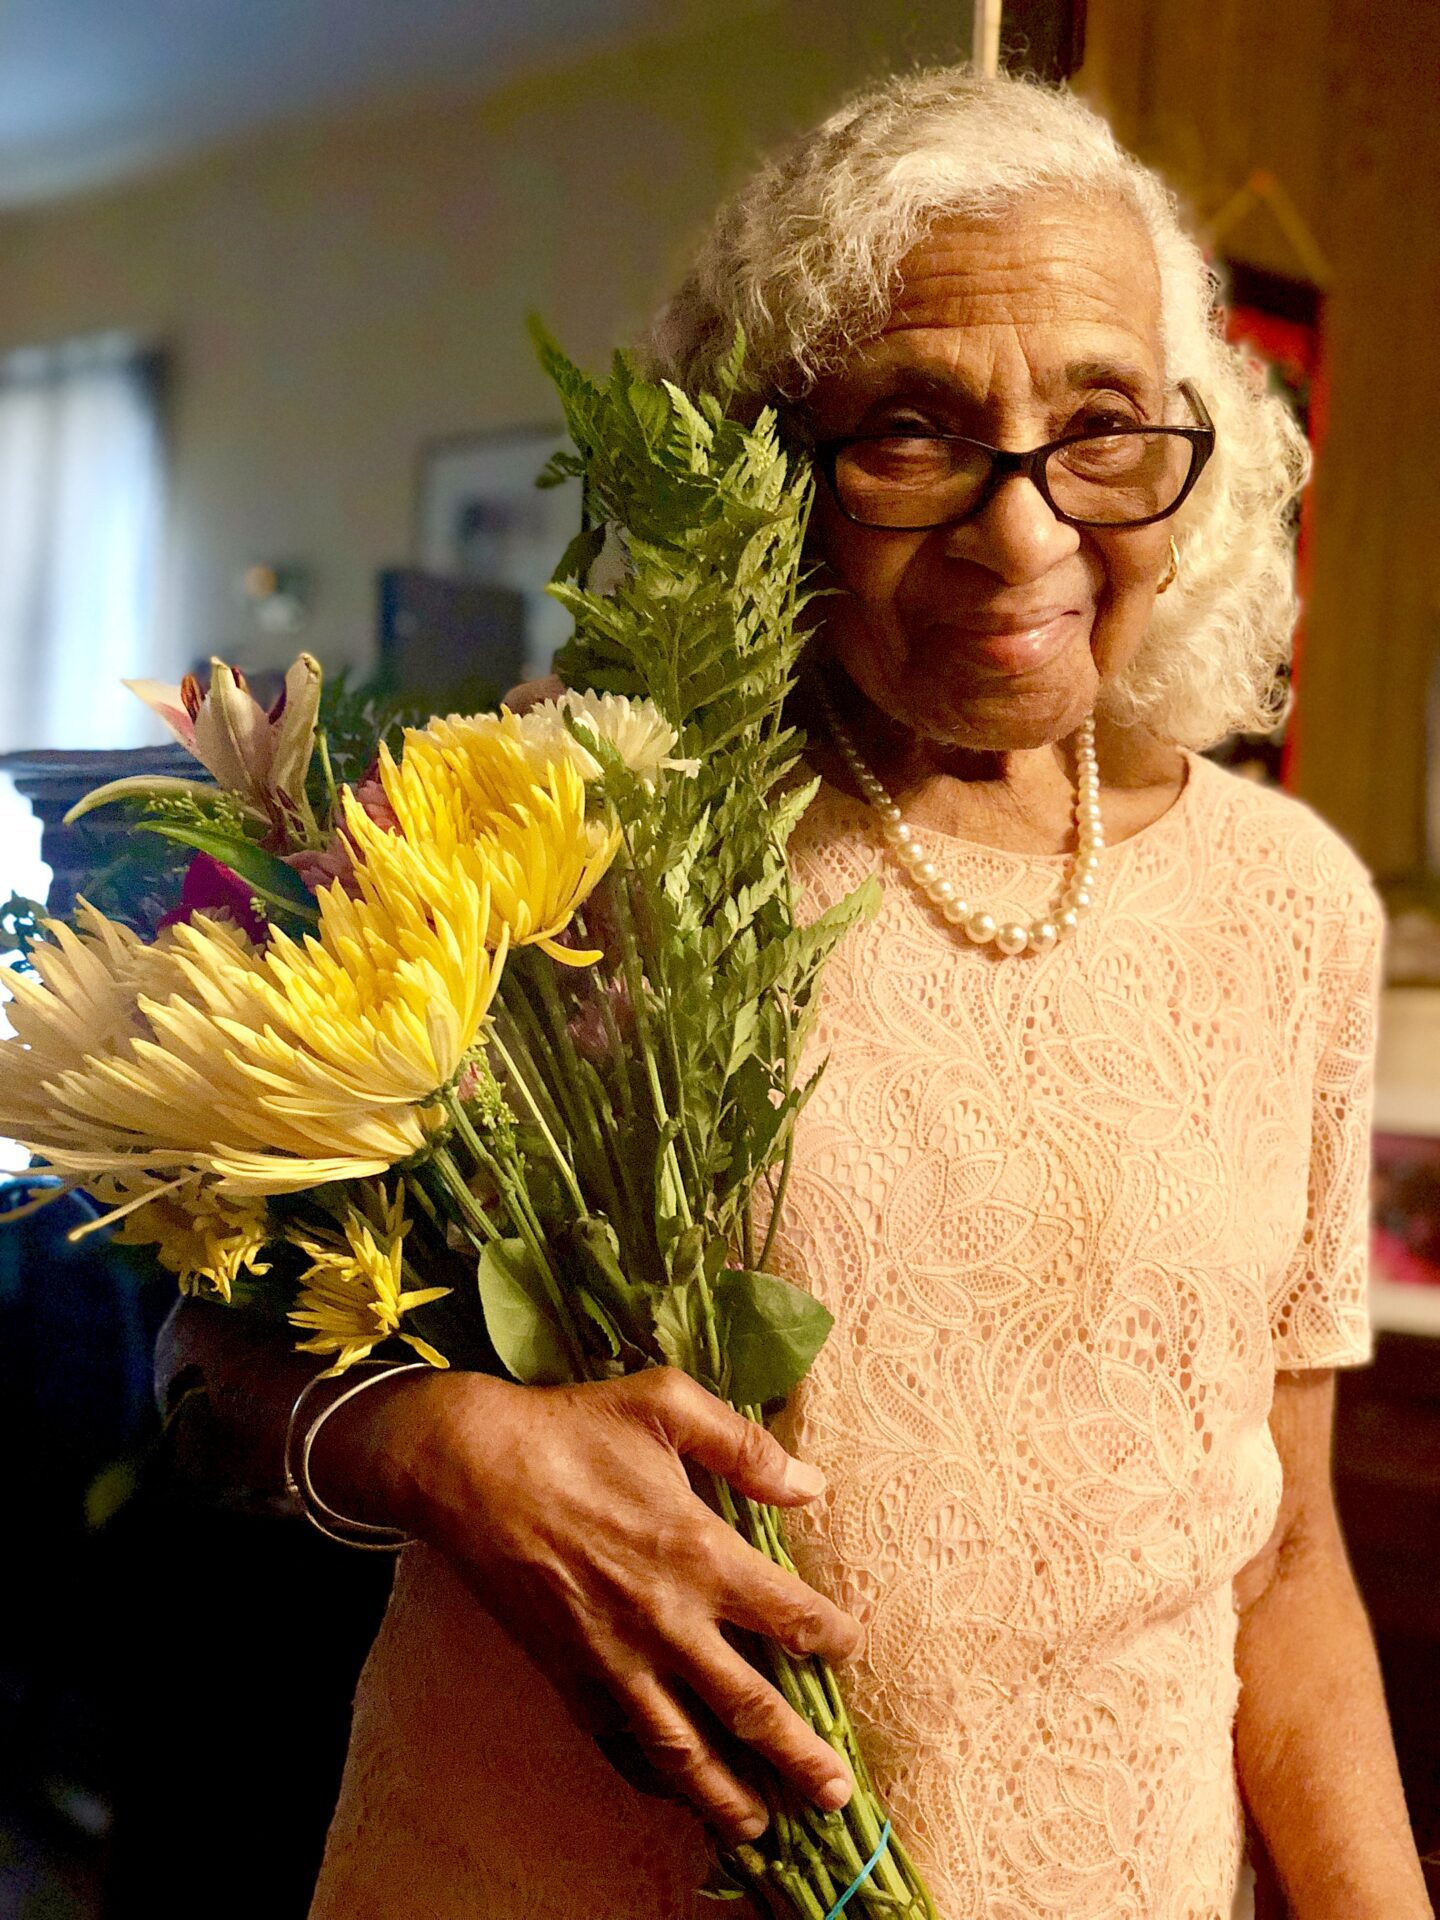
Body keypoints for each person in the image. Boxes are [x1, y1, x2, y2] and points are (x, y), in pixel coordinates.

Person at [158, 66, 1432, 1920]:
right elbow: (202, 1371)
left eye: (1101, 427)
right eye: (911, 430)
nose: (1023, 535)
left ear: (1195, 452)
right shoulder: (565, 822)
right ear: (765, 465)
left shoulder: (1291, 906)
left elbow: (1287, 1552)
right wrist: (436, 1448)